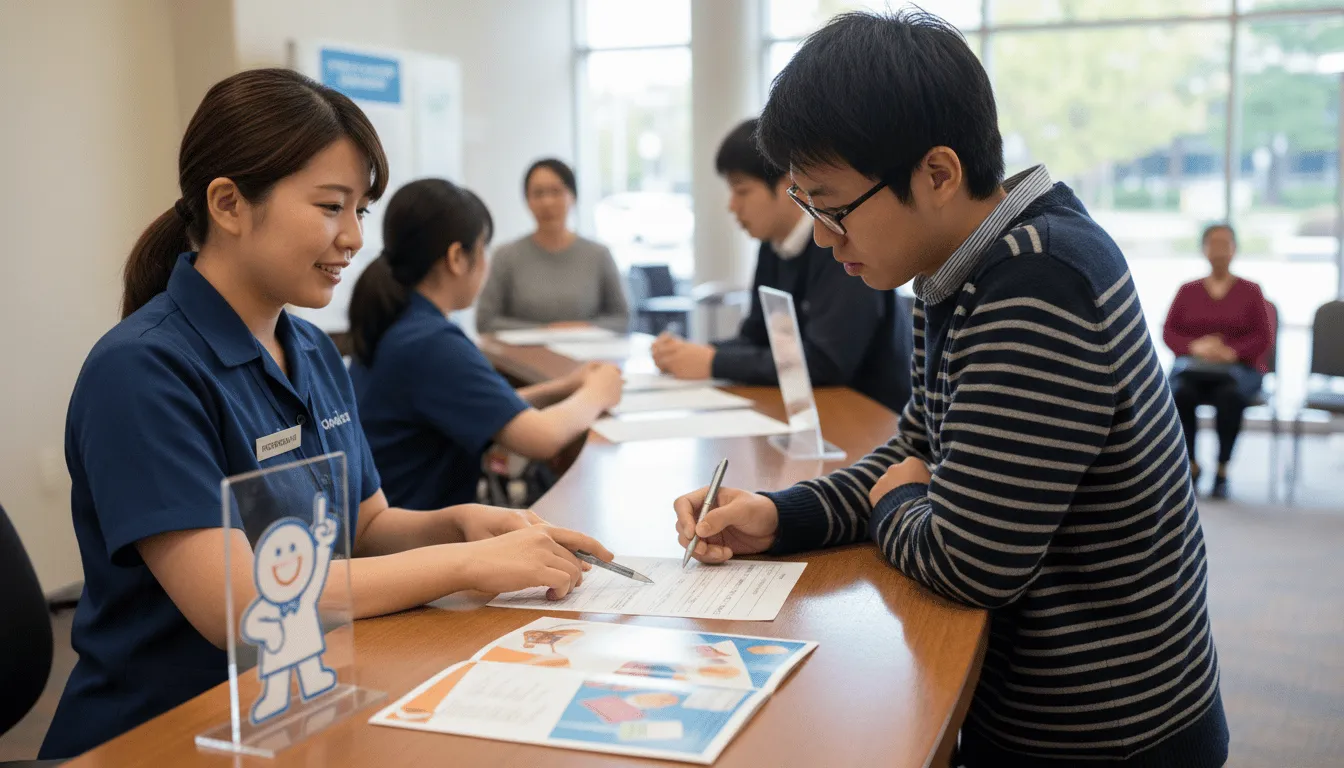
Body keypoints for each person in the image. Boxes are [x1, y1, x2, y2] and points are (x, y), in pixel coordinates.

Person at [672, 12, 1227, 768]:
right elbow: (915, 453)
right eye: (808, 209)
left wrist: (901, 500)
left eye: (833, 209)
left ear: (937, 173)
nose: (827, 238)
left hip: (1104, 729)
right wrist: (778, 515)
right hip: (1046, 701)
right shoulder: (961, 269)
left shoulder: (1038, 284)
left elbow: (971, 561)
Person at [40, 69, 612, 760]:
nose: (353, 238)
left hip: (300, 707)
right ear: (228, 203)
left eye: (361, 211)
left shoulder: (307, 346)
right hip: (163, 733)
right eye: (330, 206)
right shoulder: (141, 371)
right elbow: (241, 606)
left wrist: (456, 523)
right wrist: (467, 563)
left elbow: (365, 525)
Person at [349, 178, 624, 510]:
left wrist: (566, 387)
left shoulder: (401, 321)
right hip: (418, 538)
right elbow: (541, 437)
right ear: (457, 257)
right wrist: (598, 392)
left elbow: (485, 408)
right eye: (483, 248)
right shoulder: (432, 343)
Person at [650, 119, 913, 412]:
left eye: (742, 190)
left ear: (791, 186)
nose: (731, 206)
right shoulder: (772, 246)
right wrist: (694, 353)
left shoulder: (839, 246)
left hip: (868, 417)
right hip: (806, 410)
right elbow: (757, 336)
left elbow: (827, 363)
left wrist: (714, 362)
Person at [1163, 224, 1272, 499]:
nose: (1220, 250)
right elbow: (1169, 331)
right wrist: (1195, 347)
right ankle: (1191, 464)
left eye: (1225, 243)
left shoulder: (1251, 290)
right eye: (1214, 243)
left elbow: (1264, 336)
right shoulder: (1187, 290)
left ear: (1235, 249)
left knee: (1230, 397)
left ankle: (1223, 467)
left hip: (1239, 368)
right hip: (1195, 368)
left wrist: (1231, 352)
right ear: (1204, 249)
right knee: (1180, 393)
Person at [475, 158, 630, 333]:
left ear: (572, 197)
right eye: (538, 193)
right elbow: (486, 321)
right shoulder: (506, 256)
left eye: (556, 192)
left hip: (590, 355)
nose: (547, 202)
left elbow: (622, 318)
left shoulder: (598, 255)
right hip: (519, 357)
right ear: (527, 200)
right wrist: (546, 330)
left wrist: (582, 328)